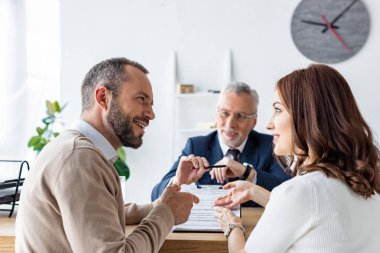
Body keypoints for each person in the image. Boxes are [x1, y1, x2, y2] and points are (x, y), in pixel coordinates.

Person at [16, 57, 200, 253]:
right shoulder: (80, 158)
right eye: (141, 99)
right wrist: (166, 213)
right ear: (103, 97)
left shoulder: (73, 149)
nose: (151, 114)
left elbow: (100, 211)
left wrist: (160, 205)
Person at [214, 64, 380, 252]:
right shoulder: (367, 181)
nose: (269, 124)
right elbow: (314, 211)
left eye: (278, 110)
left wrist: (232, 226)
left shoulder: (302, 191)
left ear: (307, 117)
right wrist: (254, 192)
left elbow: (304, 202)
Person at [151, 82, 291, 206]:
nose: (230, 124)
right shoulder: (197, 146)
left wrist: (247, 172)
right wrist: (177, 181)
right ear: (216, 115)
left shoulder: (269, 145)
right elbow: (155, 196)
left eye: (241, 116)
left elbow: (288, 191)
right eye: (224, 113)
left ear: (253, 122)